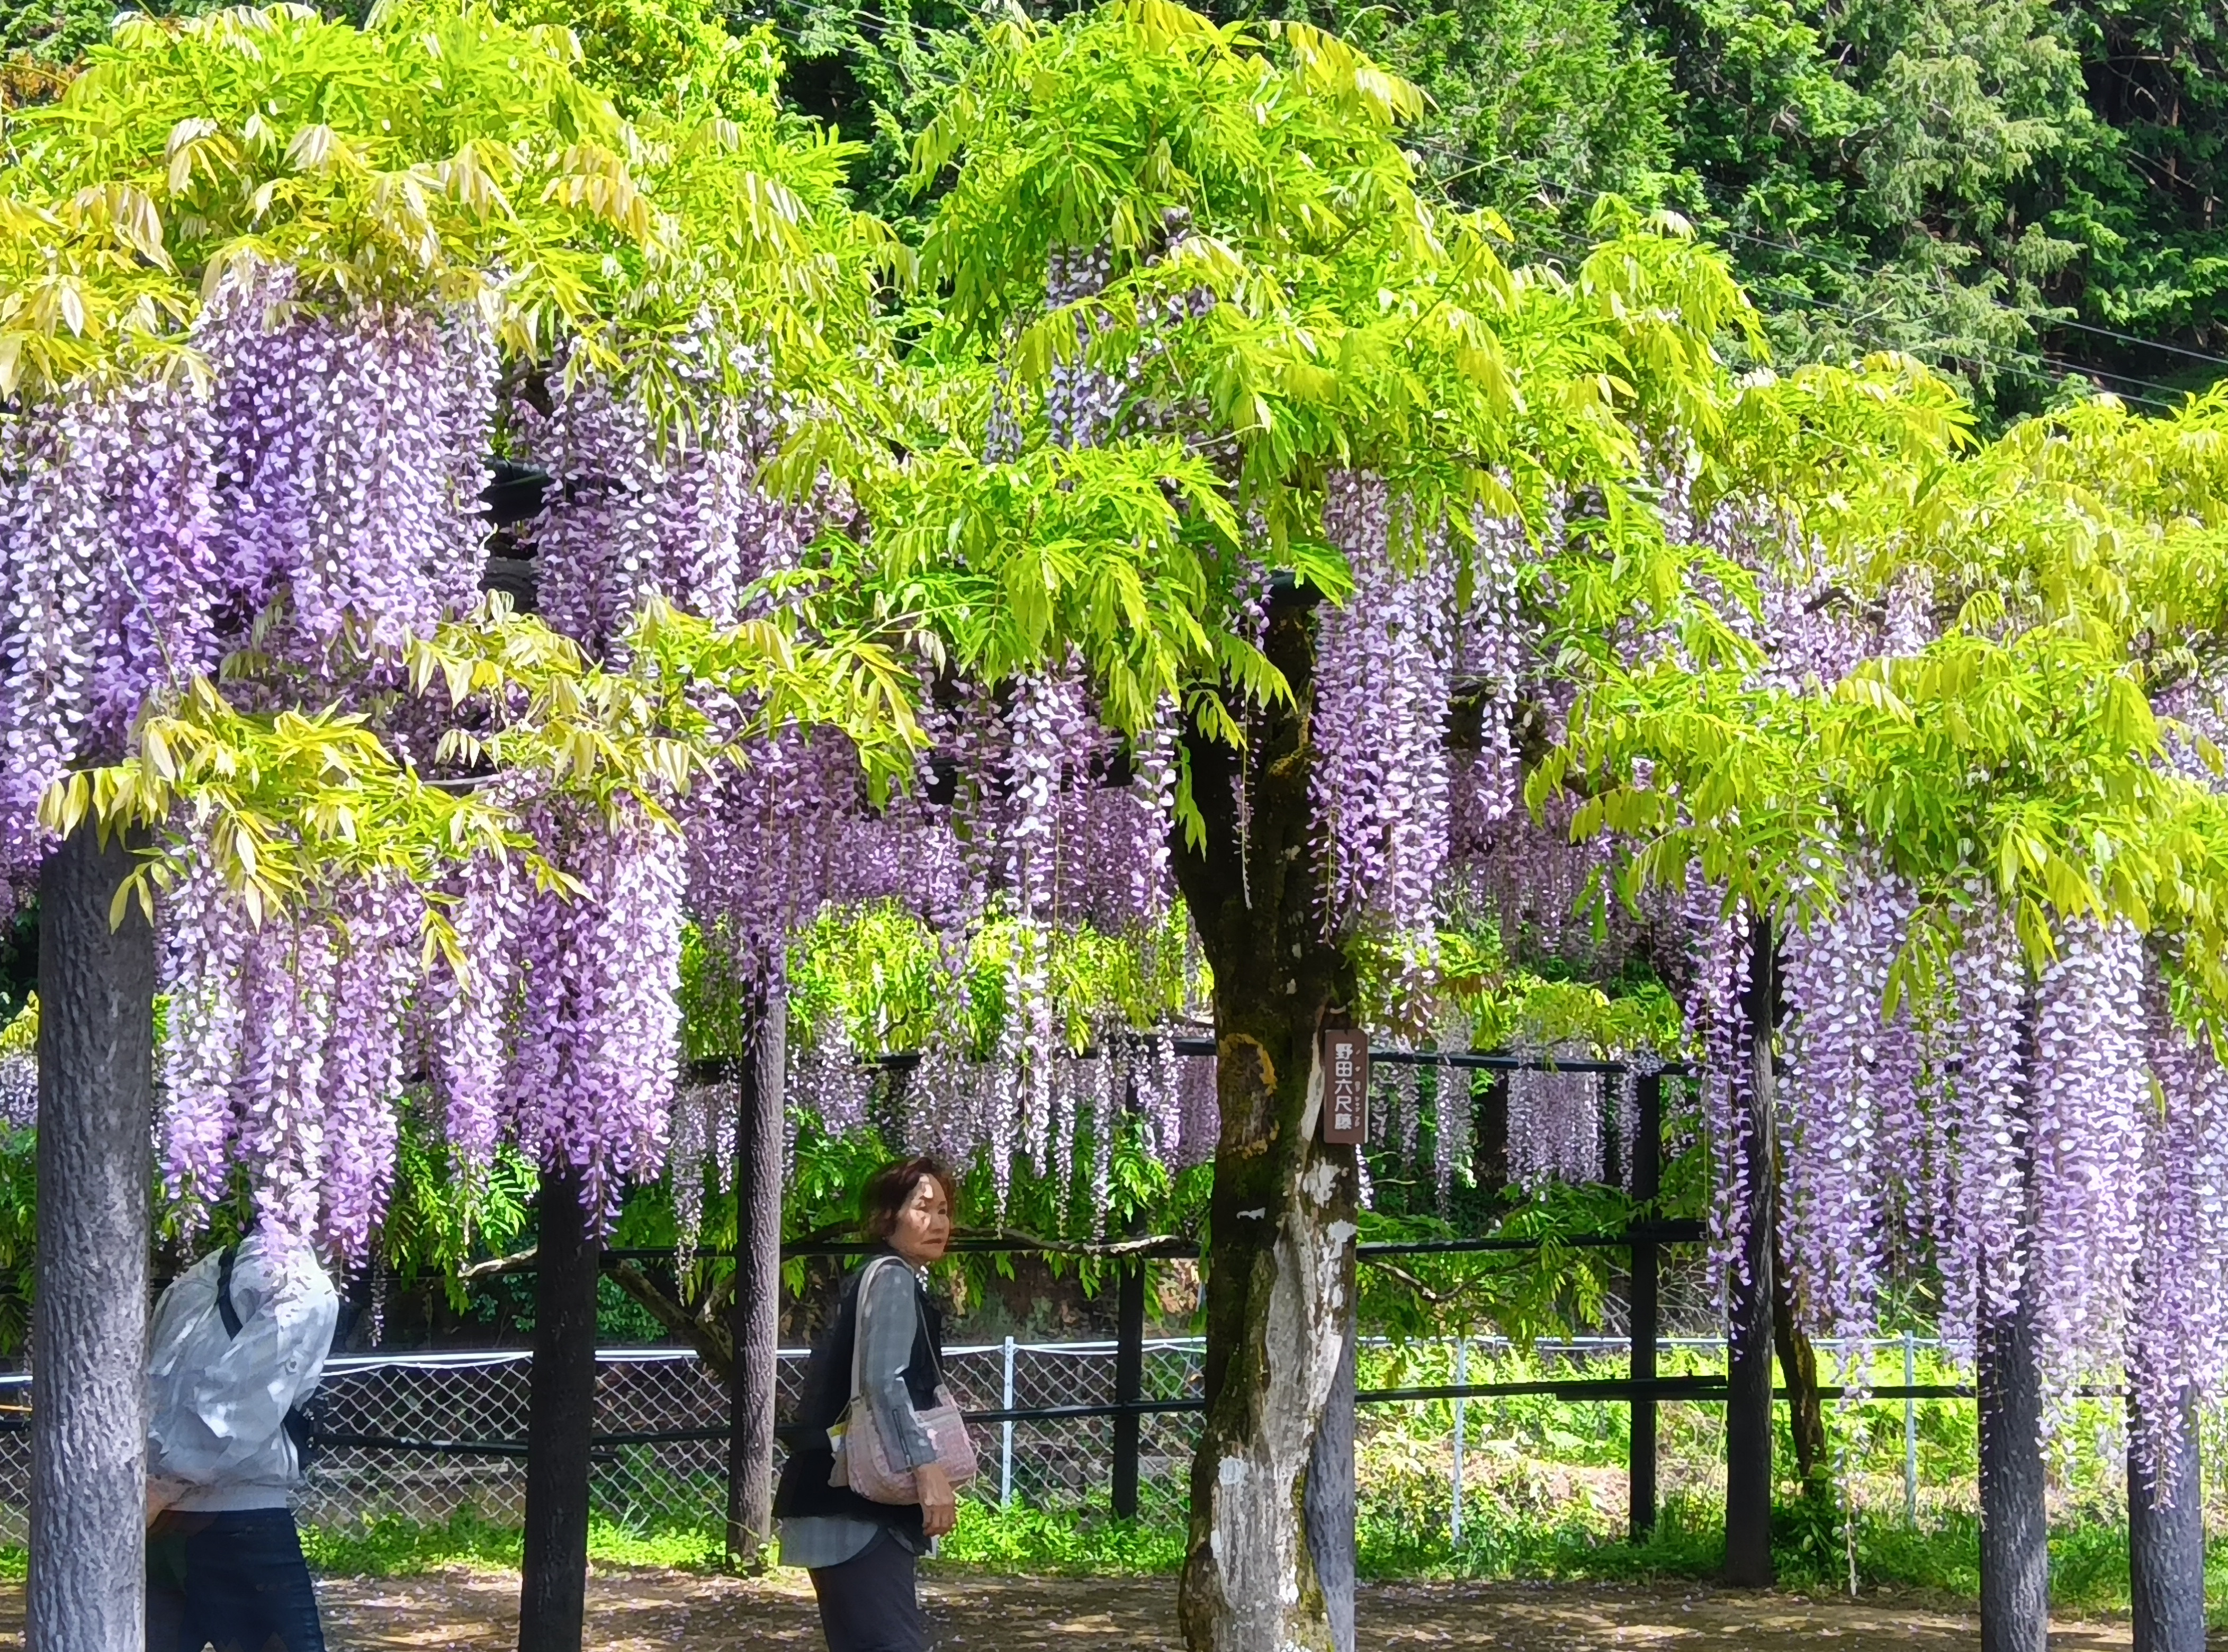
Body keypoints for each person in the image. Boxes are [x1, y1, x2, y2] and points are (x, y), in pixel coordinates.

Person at [775, 1156, 960, 1652]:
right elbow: (885, 1383)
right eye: (924, 1208)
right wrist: (928, 1469)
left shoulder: (876, 1276)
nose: (939, 1223)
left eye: (944, 1210)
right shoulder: (894, 1278)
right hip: (859, 1510)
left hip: (844, 1502)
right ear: (886, 1218)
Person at [145, 1226, 341, 1652]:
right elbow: (236, 1408)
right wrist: (165, 1485)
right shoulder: (304, 1287)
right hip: (236, 1526)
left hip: (160, 1525)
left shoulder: (196, 1277)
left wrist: (153, 1493)